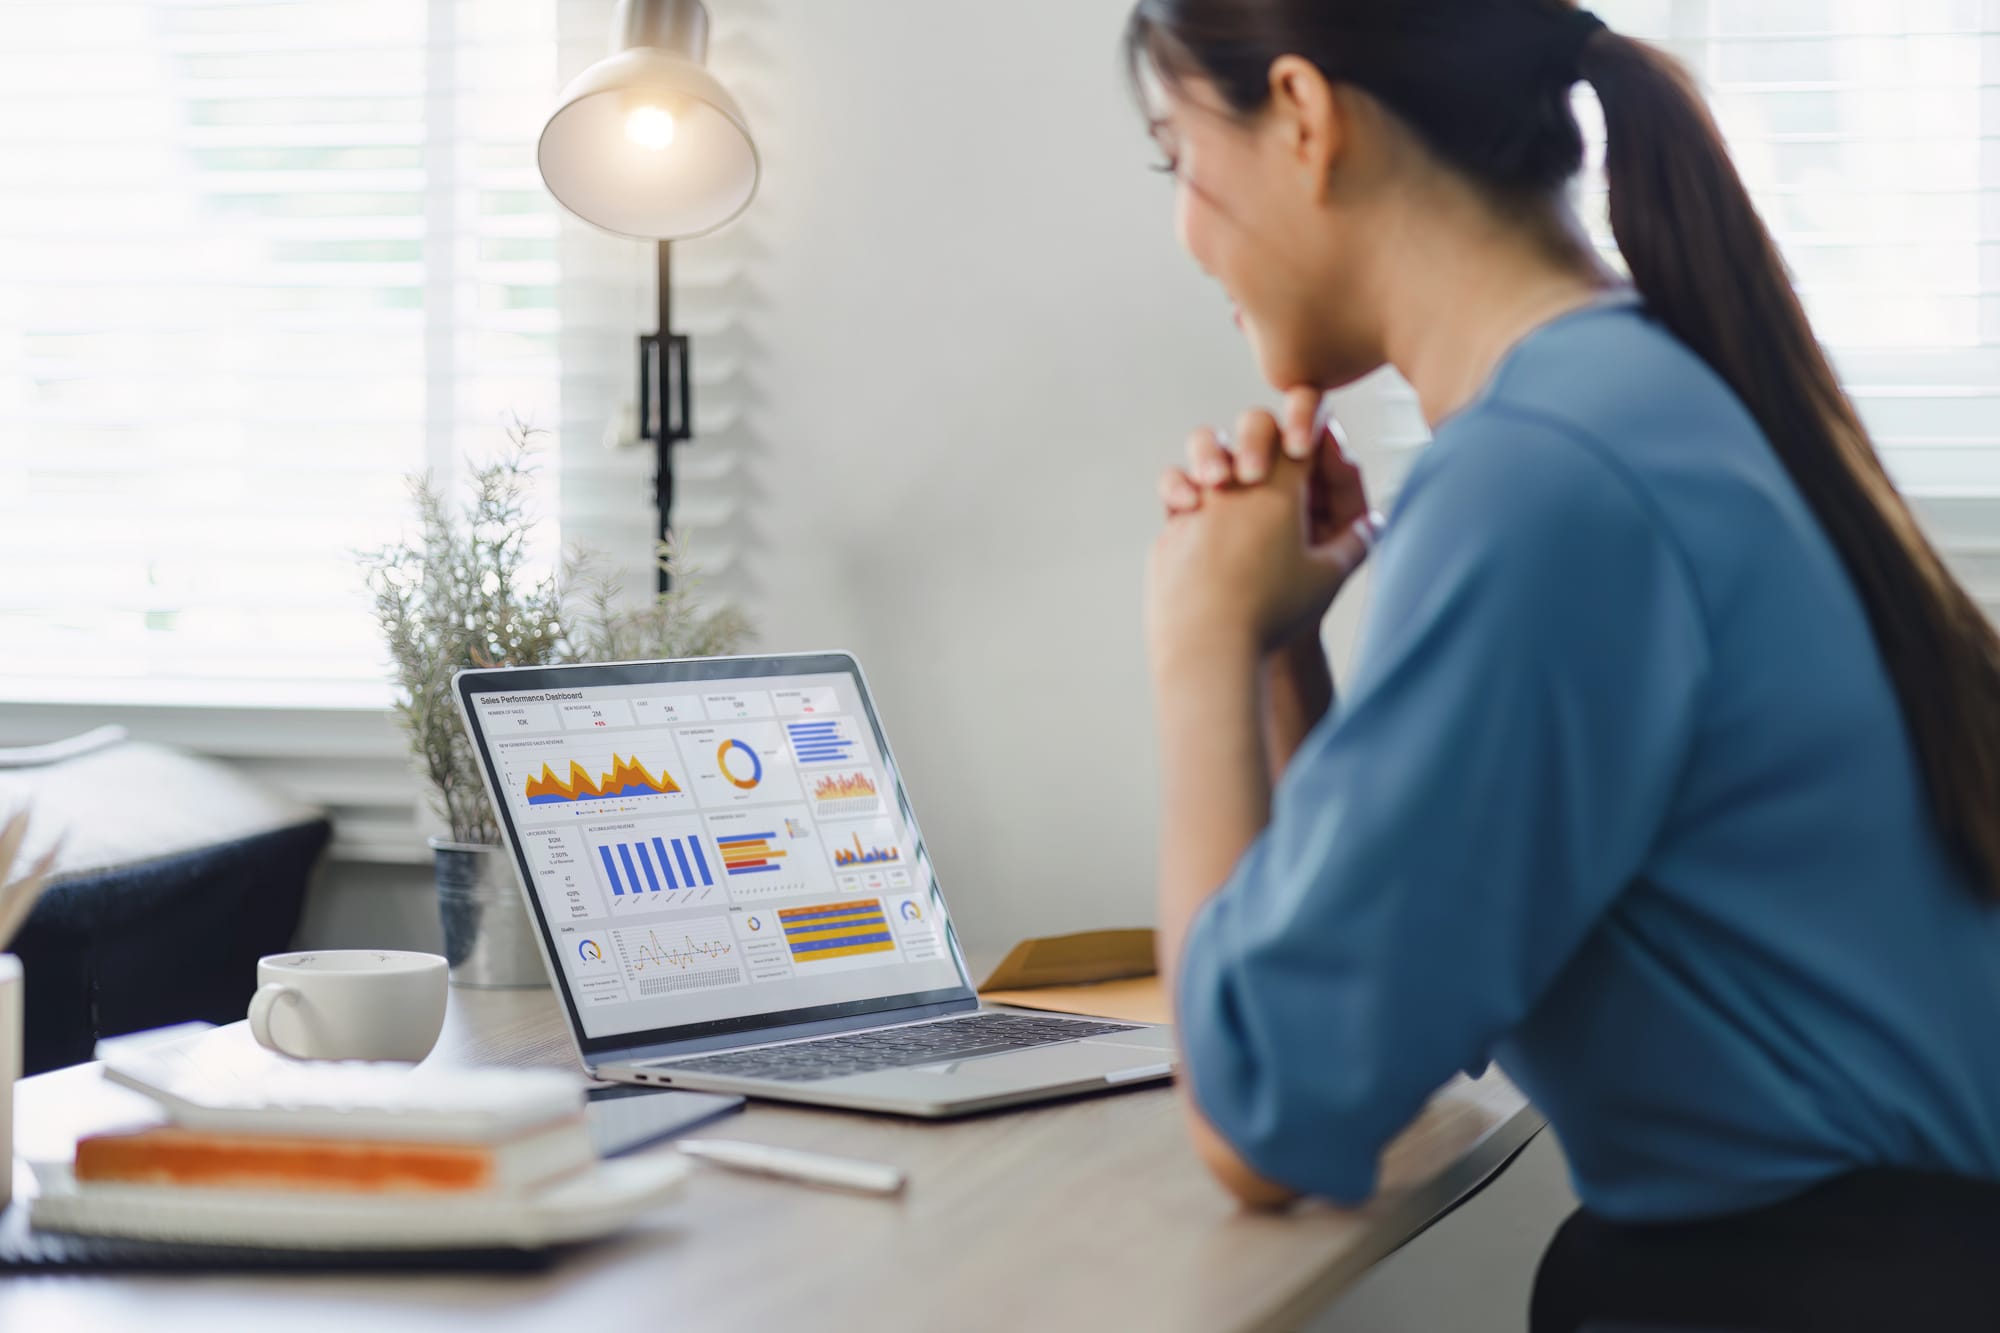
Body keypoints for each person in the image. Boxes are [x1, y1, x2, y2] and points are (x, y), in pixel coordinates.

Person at [1128, 2, 2000, 1329]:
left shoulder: (1541, 477)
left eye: (1177, 158)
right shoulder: (1636, 392)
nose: (1187, 234)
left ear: (1303, 118)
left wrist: (1194, 639)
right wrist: (1280, 650)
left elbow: (1271, 1115)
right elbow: (1391, 994)